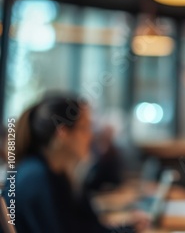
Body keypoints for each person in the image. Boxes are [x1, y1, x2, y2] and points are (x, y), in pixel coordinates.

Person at [2, 94, 149, 233]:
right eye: (85, 128)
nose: (91, 135)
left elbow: (87, 229)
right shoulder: (35, 179)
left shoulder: (58, 174)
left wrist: (127, 228)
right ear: (63, 133)